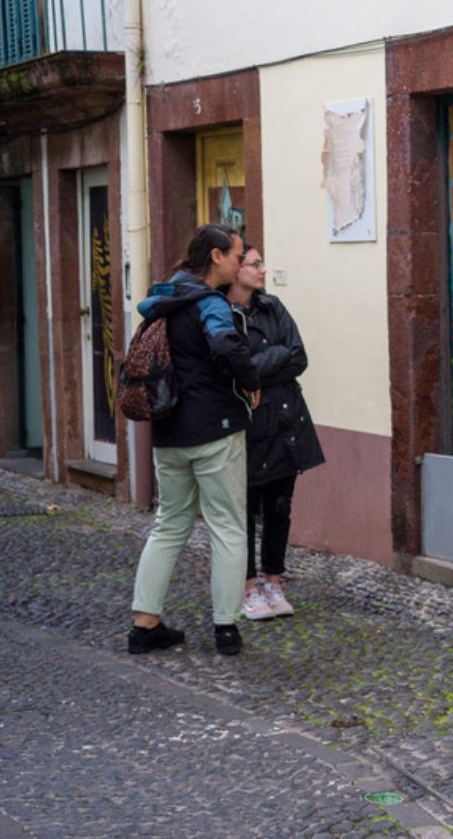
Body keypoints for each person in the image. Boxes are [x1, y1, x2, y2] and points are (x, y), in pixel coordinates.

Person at [127, 223, 261, 657]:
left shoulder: (164, 297)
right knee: (227, 526)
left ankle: (145, 625)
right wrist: (250, 379)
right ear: (217, 257)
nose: (242, 263)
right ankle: (226, 628)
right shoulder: (210, 303)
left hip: (168, 430)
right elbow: (225, 347)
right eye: (238, 255)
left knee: (170, 523)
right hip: (214, 430)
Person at [223, 247, 325, 620]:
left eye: (262, 262)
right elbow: (235, 370)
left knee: (280, 505)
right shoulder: (222, 313)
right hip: (247, 423)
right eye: (254, 264)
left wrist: (256, 368)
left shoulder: (272, 307)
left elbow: (298, 356)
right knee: (245, 508)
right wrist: (269, 361)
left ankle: (274, 580)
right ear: (235, 271)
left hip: (285, 418)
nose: (263, 269)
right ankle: (247, 586)